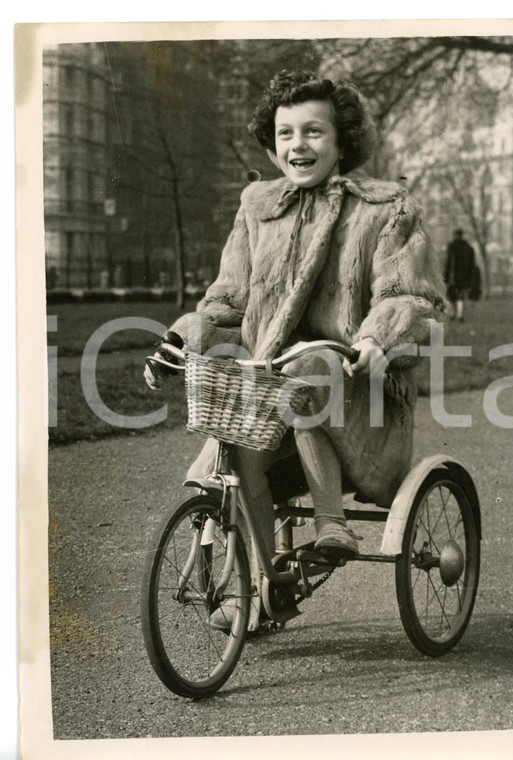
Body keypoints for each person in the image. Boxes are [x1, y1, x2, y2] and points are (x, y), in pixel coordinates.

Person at [144, 70, 446, 570]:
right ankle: (267, 583)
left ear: (341, 140)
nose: (297, 145)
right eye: (286, 133)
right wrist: (181, 337)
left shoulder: (384, 209)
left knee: (312, 368)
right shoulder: (259, 209)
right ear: (272, 144)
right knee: (236, 445)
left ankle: (332, 523)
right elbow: (227, 301)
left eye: (313, 131)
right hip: (271, 402)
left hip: (358, 399)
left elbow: (410, 300)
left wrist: (376, 340)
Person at [444, 229, 475, 322]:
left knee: (451, 295)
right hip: (465, 276)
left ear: (455, 235)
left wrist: (446, 275)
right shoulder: (468, 247)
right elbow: (472, 264)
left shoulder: (451, 246)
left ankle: (453, 313)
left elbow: (449, 262)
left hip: (453, 275)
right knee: (461, 295)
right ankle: (459, 315)